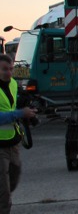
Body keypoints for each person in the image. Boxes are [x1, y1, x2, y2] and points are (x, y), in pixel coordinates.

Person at [0, 54, 37, 214]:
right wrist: (20, 113)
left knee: (14, 178)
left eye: (10, 69)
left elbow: (11, 107)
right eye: (4, 69)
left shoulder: (14, 84)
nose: (8, 72)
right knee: (4, 192)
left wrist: (28, 115)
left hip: (13, 143)